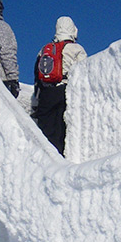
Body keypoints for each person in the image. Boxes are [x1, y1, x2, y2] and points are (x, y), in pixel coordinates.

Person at [32, 16, 86, 155]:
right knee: (63, 130)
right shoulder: (76, 49)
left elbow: (37, 78)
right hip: (65, 91)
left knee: (46, 133)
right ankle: (61, 162)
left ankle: (47, 161)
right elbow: (84, 73)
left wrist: (36, 103)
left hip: (46, 94)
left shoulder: (44, 50)